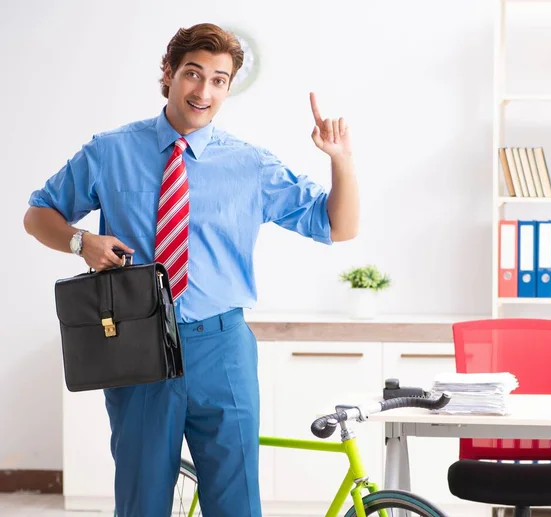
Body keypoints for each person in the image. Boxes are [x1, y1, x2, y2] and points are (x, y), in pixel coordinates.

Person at [23, 22, 359, 517]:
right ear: (170, 73)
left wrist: (341, 160)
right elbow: (38, 214)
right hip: (137, 347)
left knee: (237, 503)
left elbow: (338, 225)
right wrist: (81, 241)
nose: (203, 91)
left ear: (228, 87)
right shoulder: (111, 151)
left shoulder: (250, 165)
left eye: (219, 79)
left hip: (222, 348)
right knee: (142, 503)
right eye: (193, 74)